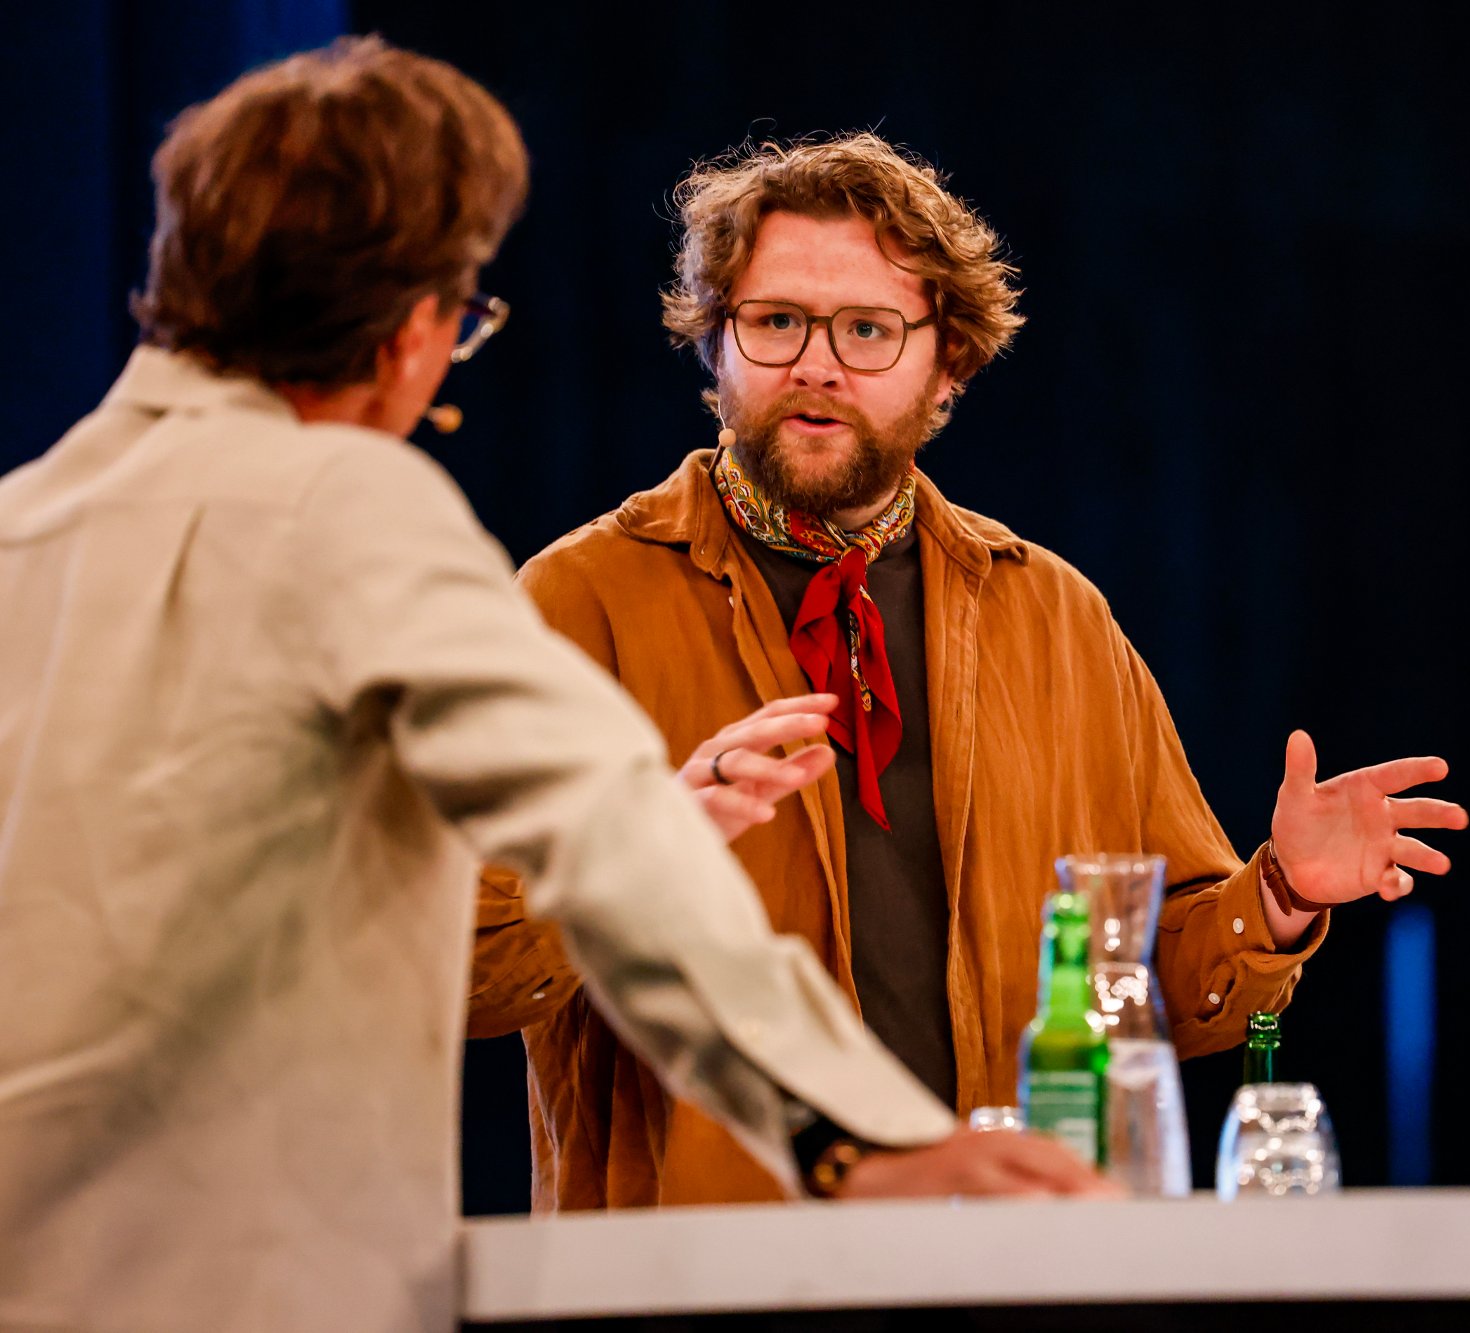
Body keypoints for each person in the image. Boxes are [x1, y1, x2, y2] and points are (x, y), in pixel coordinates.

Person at [0, 46, 1097, 1333]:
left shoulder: (24, 525)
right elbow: (606, 835)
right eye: (462, 320)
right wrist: (852, 1136)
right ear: (410, 321)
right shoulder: (350, 507)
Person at [470, 132, 1468, 1209]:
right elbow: (466, 974)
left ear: (947, 360)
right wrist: (631, 850)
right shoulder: (580, 602)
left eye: (865, 329)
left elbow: (1156, 990)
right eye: (773, 322)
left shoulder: (1053, 617)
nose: (815, 363)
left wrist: (1273, 893)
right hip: (697, 1278)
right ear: (713, 344)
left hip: (1003, 1267)